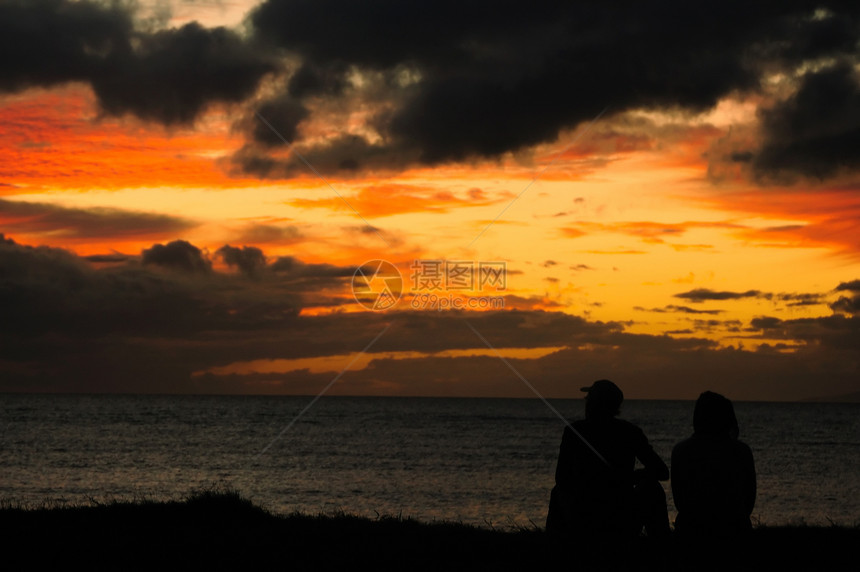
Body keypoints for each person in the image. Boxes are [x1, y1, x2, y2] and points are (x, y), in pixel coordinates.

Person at [546, 379, 670, 542]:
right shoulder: (630, 432)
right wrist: (631, 477)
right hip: (621, 514)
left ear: (594, 404)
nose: (586, 403)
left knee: (558, 491)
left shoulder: (574, 432)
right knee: (652, 489)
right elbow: (661, 471)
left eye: (588, 399)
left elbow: (561, 477)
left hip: (587, 517)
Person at [671, 391, 756, 540]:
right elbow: (748, 501)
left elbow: (680, 501)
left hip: (691, 530)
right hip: (734, 530)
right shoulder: (741, 451)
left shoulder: (681, 451)